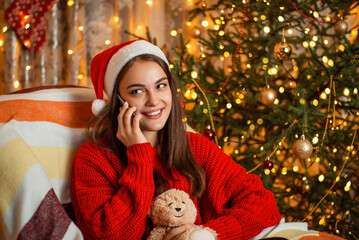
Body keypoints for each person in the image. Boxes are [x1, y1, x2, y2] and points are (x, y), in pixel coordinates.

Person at [70, 39, 281, 240]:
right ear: (118, 101)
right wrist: (139, 155)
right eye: (137, 91)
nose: (154, 101)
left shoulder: (194, 146)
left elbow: (263, 204)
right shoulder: (94, 158)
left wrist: (208, 233)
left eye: (160, 86)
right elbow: (111, 235)